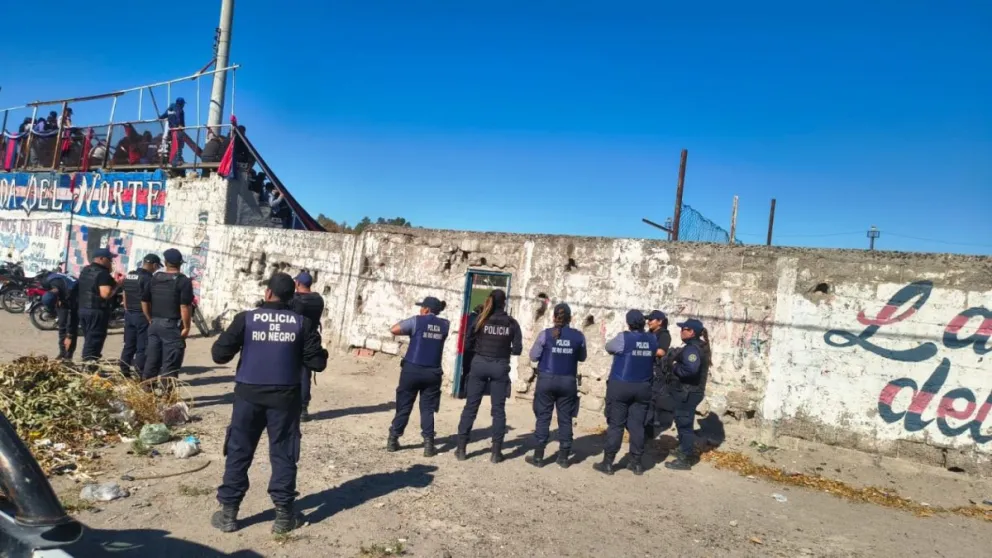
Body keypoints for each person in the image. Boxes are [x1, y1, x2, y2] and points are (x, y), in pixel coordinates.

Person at [210, 272, 328, 535]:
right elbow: (317, 363)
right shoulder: (302, 323)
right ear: (291, 296)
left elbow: (219, 355)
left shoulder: (246, 319)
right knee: (284, 452)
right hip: (285, 397)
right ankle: (284, 515)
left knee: (239, 450)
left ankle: (229, 513)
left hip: (248, 394)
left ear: (268, 293)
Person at [456, 289, 522, 463]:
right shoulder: (511, 323)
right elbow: (517, 349)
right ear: (504, 302)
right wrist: (503, 349)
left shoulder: (481, 319)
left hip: (479, 364)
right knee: (498, 410)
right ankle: (496, 453)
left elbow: (467, 344)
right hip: (500, 366)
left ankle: (461, 449)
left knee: (471, 407)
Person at [594, 309, 658, 476]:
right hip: (643, 386)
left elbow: (609, 347)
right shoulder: (652, 338)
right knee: (637, 426)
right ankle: (636, 463)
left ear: (628, 323)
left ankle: (608, 463)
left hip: (621, 384)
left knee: (616, 424)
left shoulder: (624, 338)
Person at [525, 303, 587, 469]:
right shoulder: (579, 336)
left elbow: (533, 356)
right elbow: (582, 357)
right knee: (565, 419)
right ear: (570, 318)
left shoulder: (545, 335)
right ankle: (564, 457)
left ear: (553, 317)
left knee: (543, 417)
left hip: (546, 380)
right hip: (568, 382)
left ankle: (538, 457)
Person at [386, 296, 449, 457]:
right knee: (427, 409)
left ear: (426, 309)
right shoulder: (445, 325)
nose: (420, 310)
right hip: (433, 372)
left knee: (404, 405)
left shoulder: (416, 321)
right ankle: (429, 445)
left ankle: (393, 439)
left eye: (422, 308)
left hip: (412, 369)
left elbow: (394, 329)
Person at [664, 318, 711, 471]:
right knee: (682, 422)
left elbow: (691, 369)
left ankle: (686, 457)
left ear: (691, 332)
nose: (681, 331)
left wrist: (675, 367)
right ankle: (685, 448)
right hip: (689, 392)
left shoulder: (692, 349)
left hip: (688, 392)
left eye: (684, 329)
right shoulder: (698, 346)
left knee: (684, 424)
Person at [141, 249, 194, 384]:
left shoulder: (155, 278)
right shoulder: (183, 281)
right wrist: (187, 327)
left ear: (165, 262)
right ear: (180, 264)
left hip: (155, 324)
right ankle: (166, 394)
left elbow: (144, 301)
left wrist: (150, 319)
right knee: (170, 363)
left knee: (152, 360)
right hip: (172, 326)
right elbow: (184, 306)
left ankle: (146, 391)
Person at [288, 271, 325, 421]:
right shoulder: (318, 299)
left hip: (293, 339)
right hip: (311, 340)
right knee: (304, 375)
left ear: (297, 283)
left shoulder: (294, 300)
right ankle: (303, 409)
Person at [119, 254, 161, 378]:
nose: (157, 269)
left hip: (129, 314)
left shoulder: (130, 275)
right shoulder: (149, 279)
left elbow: (124, 293)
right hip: (142, 315)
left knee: (129, 344)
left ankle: (124, 369)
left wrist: (126, 309)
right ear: (154, 265)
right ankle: (139, 372)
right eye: (157, 267)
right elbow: (146, 300)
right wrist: (149, 318)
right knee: (142, 347)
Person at [76, 249, 118, 362]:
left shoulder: (86, 270)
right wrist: (118, 284)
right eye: (109, 259)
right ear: (101, 259)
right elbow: (106, 294)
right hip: (96, 311)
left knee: (89, 338)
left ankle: (89, 361)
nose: (111, 262)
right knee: (94, 339)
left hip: (83, 309)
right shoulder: (102, 273)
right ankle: (89, 365)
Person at [645, 310, 673, 438]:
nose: (648, 322)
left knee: (651, 401)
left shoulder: (664, 335)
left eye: (651, 320)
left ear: (660, 322)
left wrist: (642, 348)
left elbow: (661, 352)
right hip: (646, 370)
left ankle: (648, 433)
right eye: (648, 319)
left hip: (656, 372)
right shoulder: (649, 333)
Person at [40, 272, 79, 360]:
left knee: (70, 329)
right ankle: (62, 353)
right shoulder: (47, 281)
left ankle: (68, 356)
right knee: (62, 325)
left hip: (76, 296)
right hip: (63, 296)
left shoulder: (70, 293)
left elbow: (73, 318)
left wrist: (69, 335)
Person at [458, 304, 483, 398]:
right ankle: (466, 390)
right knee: (469, 370)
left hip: (463, 347)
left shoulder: (466, 317)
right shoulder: (478, 320)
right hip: (472, 348)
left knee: (463, 369)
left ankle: (461, 388)